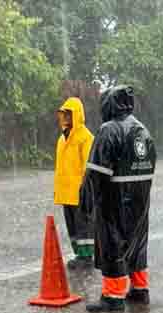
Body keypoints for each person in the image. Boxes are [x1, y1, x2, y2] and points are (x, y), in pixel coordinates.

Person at [82, 85, 156, 313]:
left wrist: (86, 196)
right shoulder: (142, 130)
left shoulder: (109, 130)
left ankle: (113, 296)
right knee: (137, 242)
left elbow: (97, 170)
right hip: (141, 197)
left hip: (114, 197)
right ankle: (140, 289)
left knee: (112, 243)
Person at [54, 97, 96, 270]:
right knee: (72, 224)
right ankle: (79, 254)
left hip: (80, 192)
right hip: (66, 192)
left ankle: (86, 257)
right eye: (63, 114)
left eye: (68, 114)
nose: (65, 118)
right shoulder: (62, 139)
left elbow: (89, 166)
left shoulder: (85, 138)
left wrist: (86, 189)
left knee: (83, 224)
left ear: (76, 115)